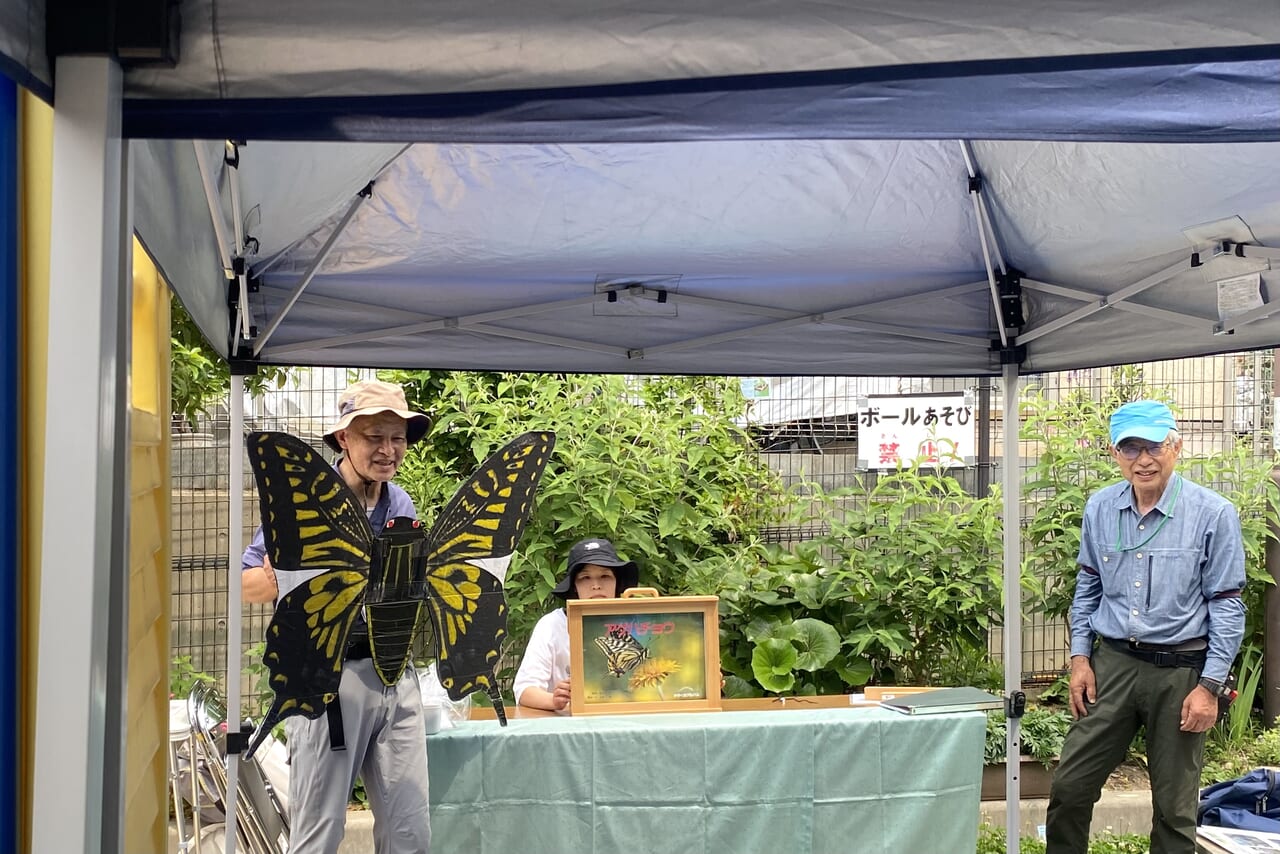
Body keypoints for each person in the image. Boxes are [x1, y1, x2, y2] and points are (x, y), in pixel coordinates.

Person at [1045, 400, 1245, 854]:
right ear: (1115, 455)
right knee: (1070, 787)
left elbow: (1228, 606)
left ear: (1176, 447)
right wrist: (1080, 658)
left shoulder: (1213, 513)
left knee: (1175, 810)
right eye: (1130, 448)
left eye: (1153, 446)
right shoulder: (1100, 508)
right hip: (1111, 664)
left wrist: (1209, 686)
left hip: (1180, 673)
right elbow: (1088, 587)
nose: (1143, 459)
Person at [242, 379, 433, 854]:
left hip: (396, 671)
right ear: (344, 438)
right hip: (327, 678)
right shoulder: (305, 503)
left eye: (398, 438)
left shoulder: (399, 502)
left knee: (411, 830)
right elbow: (245, 584)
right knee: (320, 831)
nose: (389, 450)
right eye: (375, 437)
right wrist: (280, 578)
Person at [513, 538, 639, 712]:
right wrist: (554, 700)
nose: (596, 586)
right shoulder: (551, 625)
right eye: (585, 578)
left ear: (617, 583)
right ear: (574, 587)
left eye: (605, 576)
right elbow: (524, 690)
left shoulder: (636, 622)